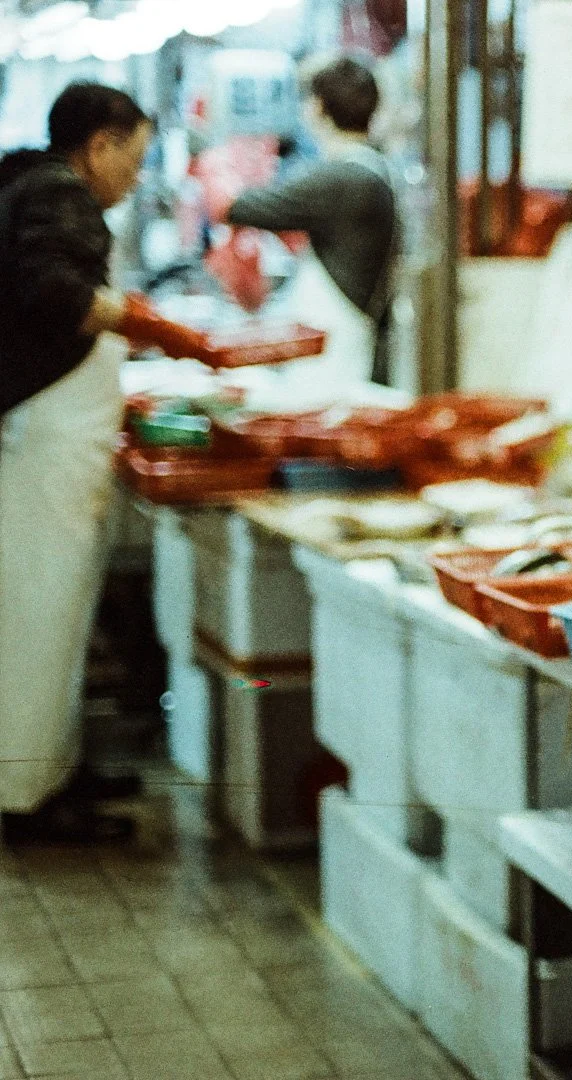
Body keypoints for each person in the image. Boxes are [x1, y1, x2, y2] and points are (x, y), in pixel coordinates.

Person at [0, 83, 202, 845]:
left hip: (44, 437)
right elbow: (54, 292)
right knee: (39, 615)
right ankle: (25, 795)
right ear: (99, 146)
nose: (135, 177)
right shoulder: (59, 193)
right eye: (135, 159)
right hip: (45, 439)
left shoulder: (26, 181)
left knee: (48, 614)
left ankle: (50, 768)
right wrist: (144, 320)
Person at [225, 57, 400, 386]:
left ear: (318, 107)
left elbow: (240, 207)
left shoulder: (344, 177)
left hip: (335, 354)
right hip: (339, 342)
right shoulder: (371, 170)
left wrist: (216, 165)